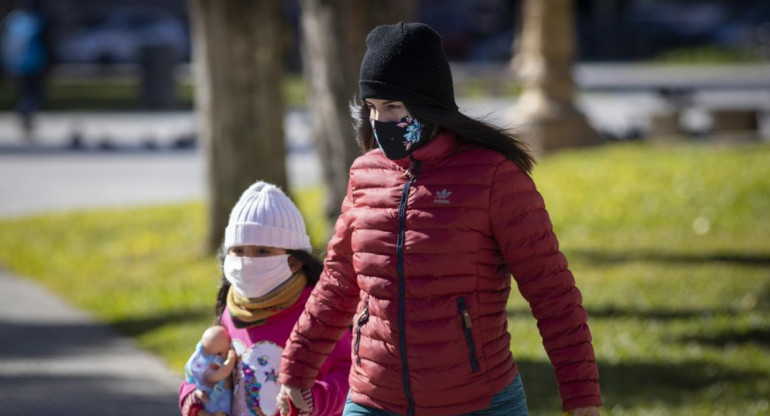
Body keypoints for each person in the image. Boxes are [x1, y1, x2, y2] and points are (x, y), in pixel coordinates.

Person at [278, 22, 601, 416]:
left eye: (394, 107)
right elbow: (338, 283)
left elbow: (552, 292)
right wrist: (296, 368)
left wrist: (581, 394)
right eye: (373, 108)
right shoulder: (365, 174)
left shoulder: (492, 176)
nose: (381, 122)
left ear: (428, 104)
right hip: (373, 400)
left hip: (478, 402)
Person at [179, 181, 352, 416]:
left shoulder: (319, 313)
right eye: (238, 251)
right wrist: (194, 397)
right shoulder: (232, 310)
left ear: (294, 260)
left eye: (262, 251)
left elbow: (349, 375)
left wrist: (313, 400)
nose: (246, 261)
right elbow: (199, 369)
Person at [184, 325, 237, 416]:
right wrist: (230, 361)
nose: (224, 356)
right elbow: (221, 373)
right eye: (219, 353)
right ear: (207, 355)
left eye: (227, 350)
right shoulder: (206, 372)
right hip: (215, 403)